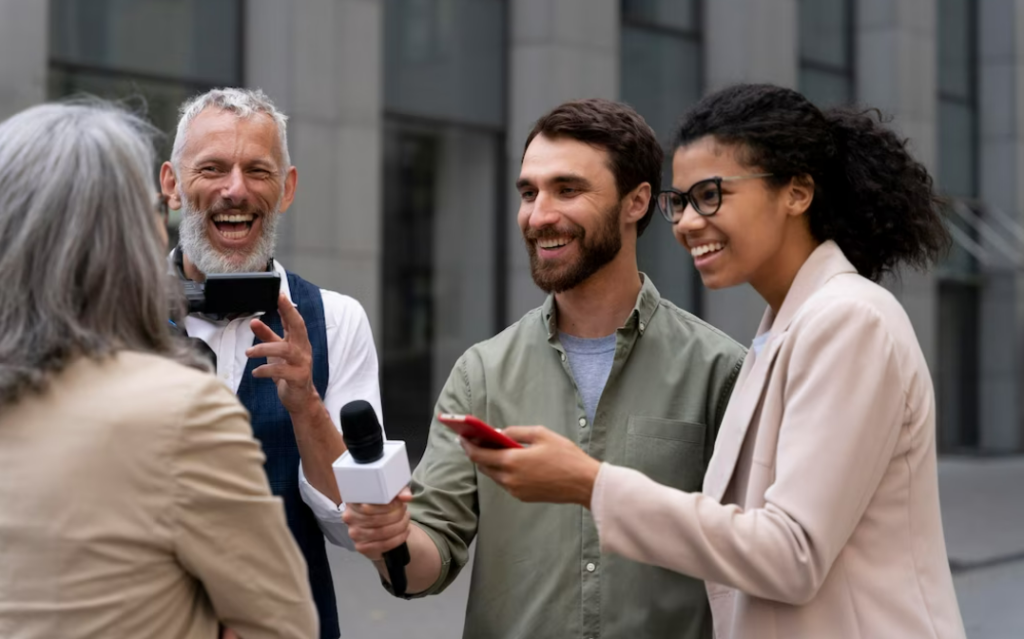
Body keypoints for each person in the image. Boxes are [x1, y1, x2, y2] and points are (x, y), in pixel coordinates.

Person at [461, 84, 968, 639]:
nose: (686, 223)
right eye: (680, 202)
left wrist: (591, 483)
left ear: (796, 192)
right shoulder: (783, 328)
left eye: (710, 195)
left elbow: (790, 554)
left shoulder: (848, 320)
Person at [344, 99, 746, 638]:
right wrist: (391, 537)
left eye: (567, 189)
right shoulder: (481, 374)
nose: (539, 216)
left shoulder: (720, 371)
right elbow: (426, 563)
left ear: (637, 202)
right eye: (529, 192)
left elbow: (753, 554)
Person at [0, 100, 317, 638]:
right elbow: (285, 625)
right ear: (125, 235)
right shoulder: (183, 409)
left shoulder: (334, 318)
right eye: (152, 204)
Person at [158, 87, 382, 639]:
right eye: (211, 168)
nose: (236, 190)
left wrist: (306, 406)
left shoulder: (337, 320)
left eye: (258, 171)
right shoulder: (110, 314)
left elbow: (355, 528)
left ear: (286, 189)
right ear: (171, 185)